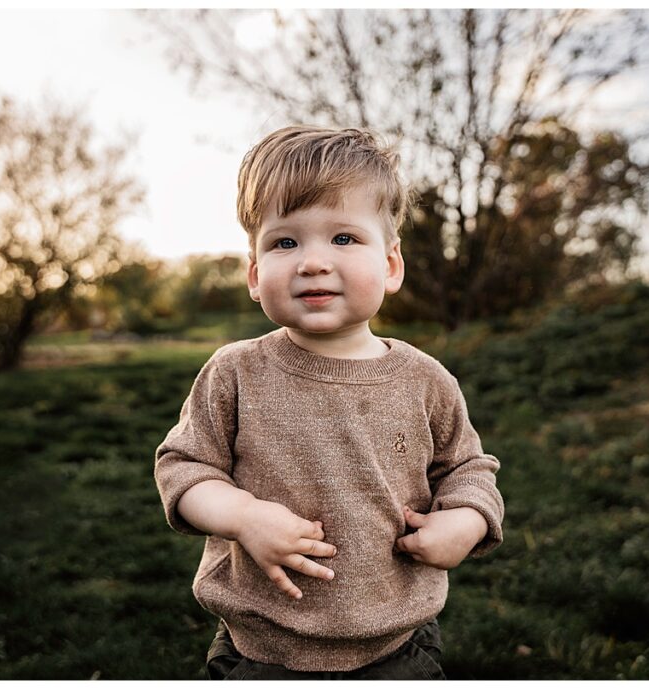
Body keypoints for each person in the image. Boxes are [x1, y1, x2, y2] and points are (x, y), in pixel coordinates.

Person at [154, 125, 505, 680]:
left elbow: (467, 469)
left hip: (399, 647)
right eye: (285, 242)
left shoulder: (424, 380)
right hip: (260, 650)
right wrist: (243, 516)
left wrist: (466, 519)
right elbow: (183, 468)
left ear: (390, 265)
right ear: (254, 273)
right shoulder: (235, 373)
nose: (312, 262)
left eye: (343, 238)